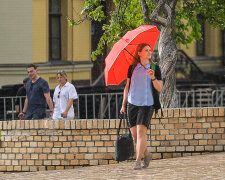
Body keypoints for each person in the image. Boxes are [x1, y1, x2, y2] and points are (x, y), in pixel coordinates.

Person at [120, 43, 163, 170]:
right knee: (134, 134)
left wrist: (153, 77)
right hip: (132, 104)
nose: (149, 52)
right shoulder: (132, 68)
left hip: (147, 104)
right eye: (146, 50)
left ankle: (138, 161)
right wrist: (123, 105)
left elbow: (159, 88)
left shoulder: (155, 67)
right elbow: (127, 87)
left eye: (150, 50)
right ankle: (147, 154)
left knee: (141, 132)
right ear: (139, 53)